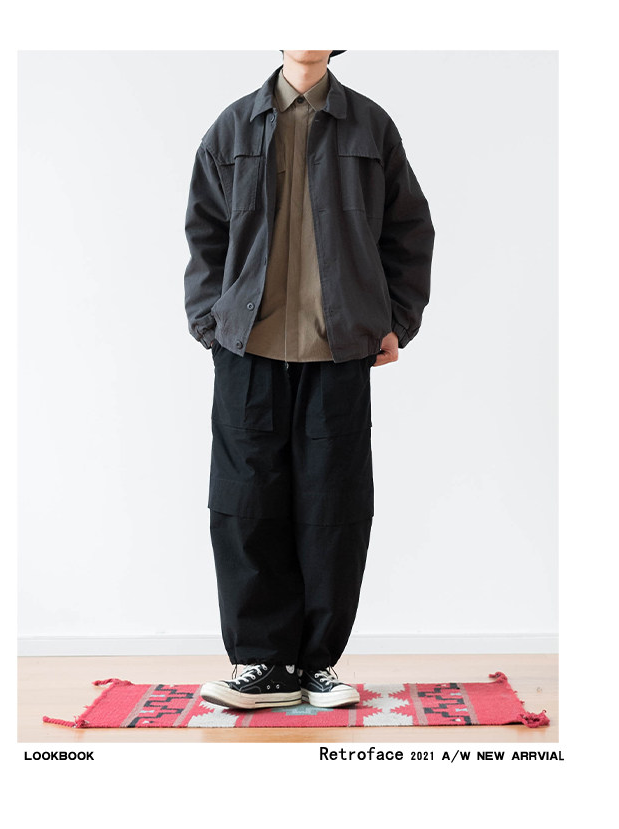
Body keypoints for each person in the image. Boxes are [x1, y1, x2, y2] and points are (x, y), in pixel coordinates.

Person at [183, 50, 434, 710]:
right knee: (245, 504)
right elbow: (205, 232)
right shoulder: (233, 127)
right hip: (248, 349)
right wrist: (211, 324)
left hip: (338, 349)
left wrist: (396, 321)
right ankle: (263, 663)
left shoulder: (370, 126)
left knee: (334, 506)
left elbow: (410, 228)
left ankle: (318, 662)